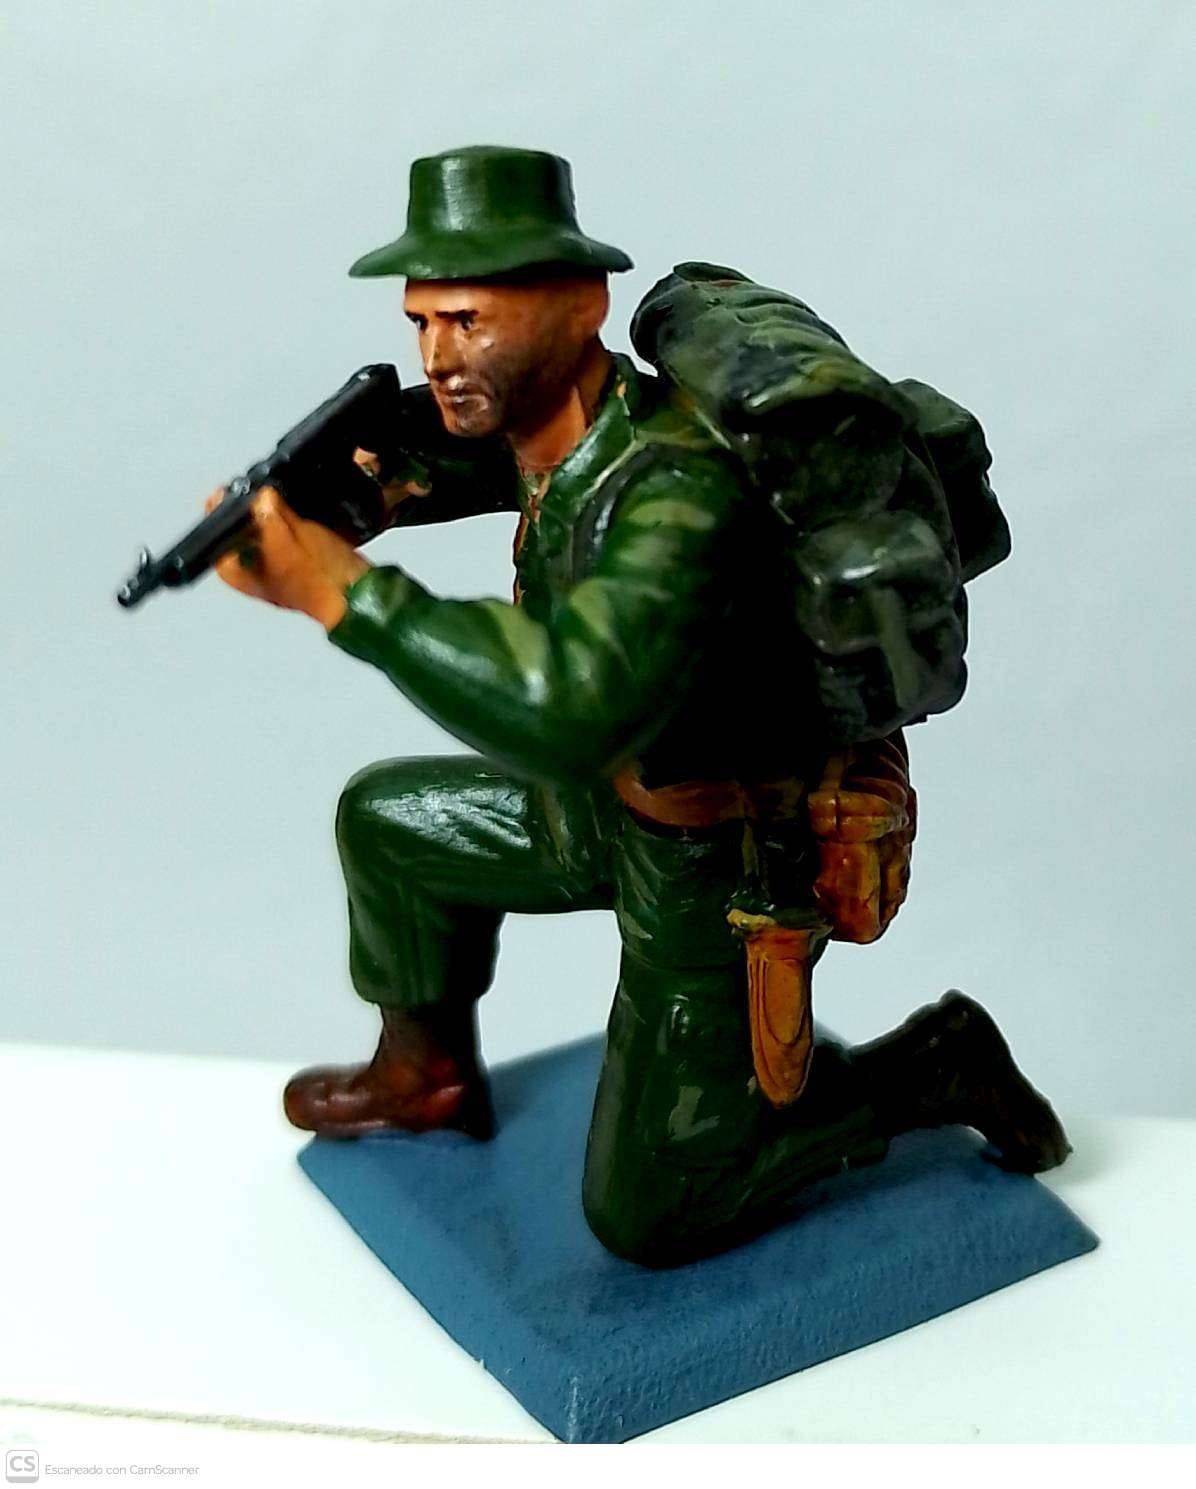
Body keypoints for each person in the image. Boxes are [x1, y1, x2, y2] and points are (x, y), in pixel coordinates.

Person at [208, 145, 1070, 1266]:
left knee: (647, 1216)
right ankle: (424, 1076)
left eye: (468, 321)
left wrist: (342, 591)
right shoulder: (562, 430)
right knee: (389, 827)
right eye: (421, 321)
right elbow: (464, 461)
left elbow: (572, 708)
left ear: (581, 306)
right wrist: (359, 492)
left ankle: (928, 1067)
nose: (438, 355)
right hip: (594, 811)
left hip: (707, 864)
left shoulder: (676, 490)